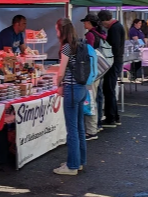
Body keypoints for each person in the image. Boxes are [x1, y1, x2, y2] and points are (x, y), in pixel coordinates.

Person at [53, 18, 87, 175]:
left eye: (57, 30)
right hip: (81, 88)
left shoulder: (66, 48)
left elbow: (61, 72)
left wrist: (58, 84)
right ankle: (79, 161)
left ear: (62, 30)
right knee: (80, 127)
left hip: (71, 89)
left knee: (72, 129)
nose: (56, 33)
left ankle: (72, 166)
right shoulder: (80, 43)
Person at [80, 14, 106, 141]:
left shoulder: (90, 35)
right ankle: (97, 125)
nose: (83, 24)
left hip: (91, 72)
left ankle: (91, 130)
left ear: (89, 22)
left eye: (85, 22)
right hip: (99, 70)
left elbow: (87, 54)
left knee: (90, 101)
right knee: (97, 98)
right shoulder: (100, 34)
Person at [98, 10, 124, 127]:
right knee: (110, 89)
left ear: (105, 21)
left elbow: (114, 47)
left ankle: (111, 118)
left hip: (113, 62)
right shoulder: (118, 26)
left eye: (103, 23)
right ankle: (114, 116)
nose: (103, 25)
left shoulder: (114, 29)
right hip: (116, 61)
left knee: (108, 89)